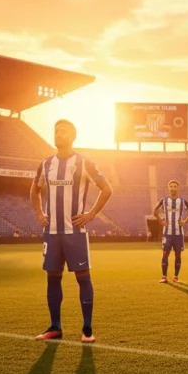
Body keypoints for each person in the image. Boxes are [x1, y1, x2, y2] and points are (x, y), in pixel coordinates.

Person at [31, 120, 113, 343]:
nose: (59, 133)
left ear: (73, 135)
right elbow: (34, 190)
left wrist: (91, 214)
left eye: (63, 130)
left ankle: (87, 329)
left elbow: (107, 189)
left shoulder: (84, 162)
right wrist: (40, 214)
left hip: (75, 232)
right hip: (52, 232)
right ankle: (55, 327)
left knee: (83, 278)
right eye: (56, 130)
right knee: (52, 278)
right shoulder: (46, 164)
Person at [153, 179, 188, 283]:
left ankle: (176, 277)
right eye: (171, 186)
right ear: (168, 188)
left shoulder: (183, 201)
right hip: (167, 232)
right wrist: (161, 221)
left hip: (179, 233)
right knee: (165, 253)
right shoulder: (164, 200)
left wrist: (184, 221)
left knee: (178, 254)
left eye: (175, 186)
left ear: (178, 188)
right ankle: (164, 277)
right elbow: (155, 211)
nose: (173, 188)